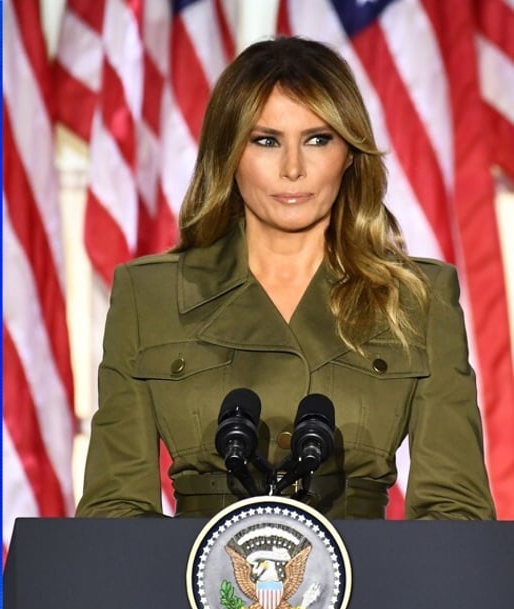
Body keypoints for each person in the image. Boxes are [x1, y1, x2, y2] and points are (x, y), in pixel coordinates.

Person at [76, 36, 495, 521]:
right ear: (229, 153)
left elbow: (455, 513)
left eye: (318, 139)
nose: (293, 169)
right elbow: (113, 509)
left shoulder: (418, 299)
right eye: (266, 140)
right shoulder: (148, 295)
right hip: (188, 584)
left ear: (350, 155)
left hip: (369, 585)